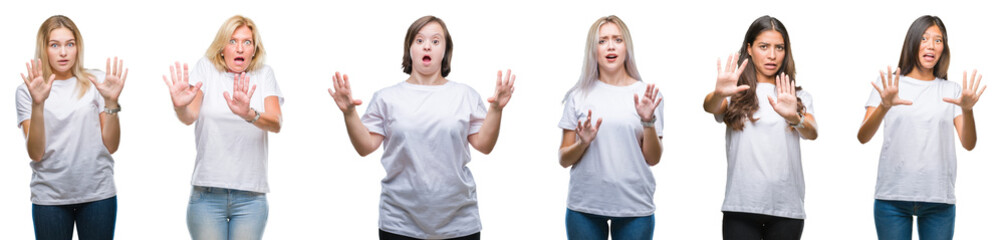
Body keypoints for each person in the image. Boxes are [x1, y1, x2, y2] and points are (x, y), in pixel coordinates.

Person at [328, 15, 514, 240]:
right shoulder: (387, 98)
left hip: (459, 222)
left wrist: (496, 110)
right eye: (419, 40)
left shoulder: (465, 95)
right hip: (399, 222)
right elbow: (365, 146)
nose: (427, 45)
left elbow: (484, 145)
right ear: (410, 49)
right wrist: (349, 113)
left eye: (436, 41)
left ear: (446, 50)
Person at [857, 15, 985, 240]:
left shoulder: (951, 90)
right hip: (892, 198)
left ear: (943, 48)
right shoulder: (890, 84)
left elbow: (969, 143)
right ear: (913, 42)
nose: (931, 45)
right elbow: (863, 136)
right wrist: (884, 106)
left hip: (938, 200)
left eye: (938, 40)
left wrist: (967, 110)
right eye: (924, 38)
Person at [162, 15, 283, 240]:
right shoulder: (206, 69)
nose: (240, 48)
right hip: (207, 196)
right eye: (232, 41)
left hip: (251, 197)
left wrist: (249, 114)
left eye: (247, 42)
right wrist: (179, 107)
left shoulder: (264, 74)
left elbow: (276, 122)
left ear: (254, 50)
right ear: (221, 48)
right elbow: (190, 116)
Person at [702, 15, 817, 240]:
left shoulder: (797, 95)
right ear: (750, 48)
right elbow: (710, 106)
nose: (772, 55)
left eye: (779, 47)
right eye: (764, 46)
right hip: (741, 206)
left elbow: (812, 131)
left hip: (786, 209)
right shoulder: (735, 92)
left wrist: (795, 117)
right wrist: (719, 93)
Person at [16, 15, 127, 240]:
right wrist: (38, 104)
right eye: (54, 45)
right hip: (50, 198)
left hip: (98, 195)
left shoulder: (96, 81)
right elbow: (36, 152)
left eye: (70, 44)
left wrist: (111, 103)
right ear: (44, 48)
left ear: (78, 47)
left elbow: (112, 145)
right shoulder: (27, 90)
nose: (63, 52)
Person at [558, 15, 664, 240]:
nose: (610, 46)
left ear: (627, 47)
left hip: (635, 207)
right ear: (593, 49)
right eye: (602, 40)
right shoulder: (578, 96)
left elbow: (653, 159)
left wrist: (648, 121)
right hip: (584, 207)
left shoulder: (648, 95)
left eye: (617, 39)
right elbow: (564, 159)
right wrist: (583, 142)